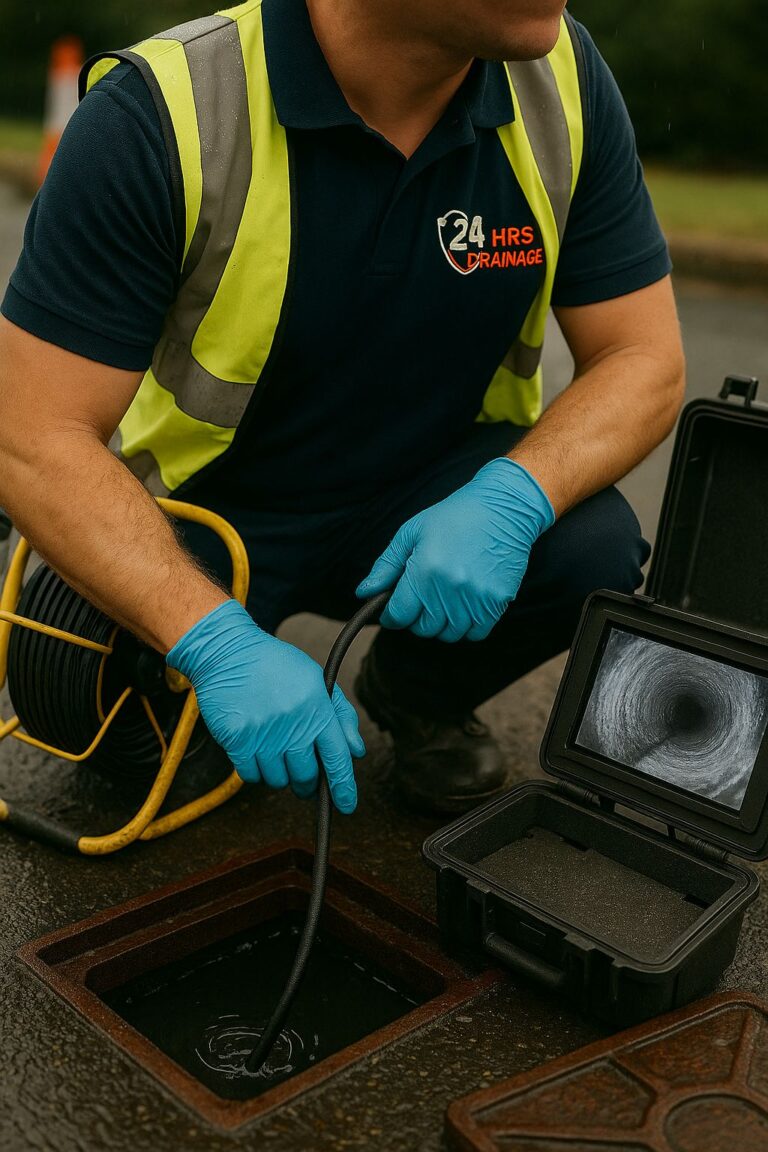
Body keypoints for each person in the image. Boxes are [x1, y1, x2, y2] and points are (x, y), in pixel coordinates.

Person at [0, 0, 684, 817]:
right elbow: (31, 434)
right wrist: (211, 641)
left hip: (433, 505)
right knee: (77, 694)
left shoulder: (560, 78)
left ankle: (413, 688)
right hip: (213, 512)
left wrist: (517, 494)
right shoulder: (168, 110)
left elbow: (644, 358)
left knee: (590, 546)